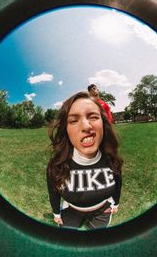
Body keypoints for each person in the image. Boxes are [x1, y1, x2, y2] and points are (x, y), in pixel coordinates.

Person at [47, 91, 123, 229]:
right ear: (65, 130)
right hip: (70, 211)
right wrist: (56, 213)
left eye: (93, 117)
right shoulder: (56, 165)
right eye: (73, 120)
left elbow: (118, 184)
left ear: (103, 124)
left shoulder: (112, 158)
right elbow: (53, 192)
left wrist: (115, 203)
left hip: (102, 212)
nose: (86, 126)